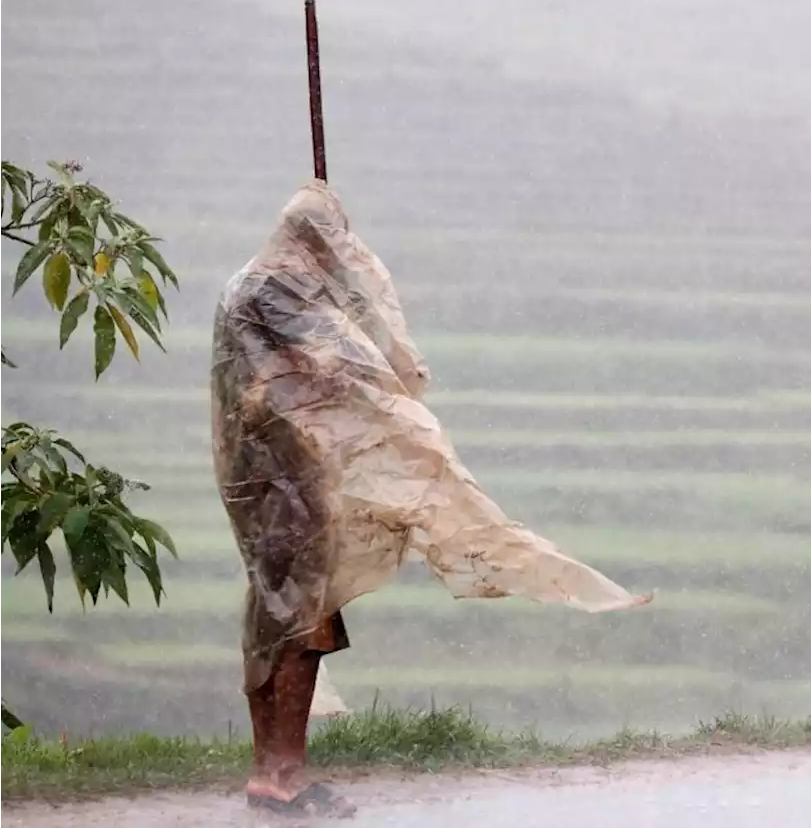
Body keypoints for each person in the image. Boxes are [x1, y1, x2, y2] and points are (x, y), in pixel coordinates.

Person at [211, 180, 650, 817]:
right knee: (302, 626)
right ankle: (285, 774)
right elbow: (344, 366)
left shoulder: (243, 285)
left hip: (260, 483)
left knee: (273, 622)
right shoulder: (279, 289)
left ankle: (269, 769)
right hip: (290, 482)